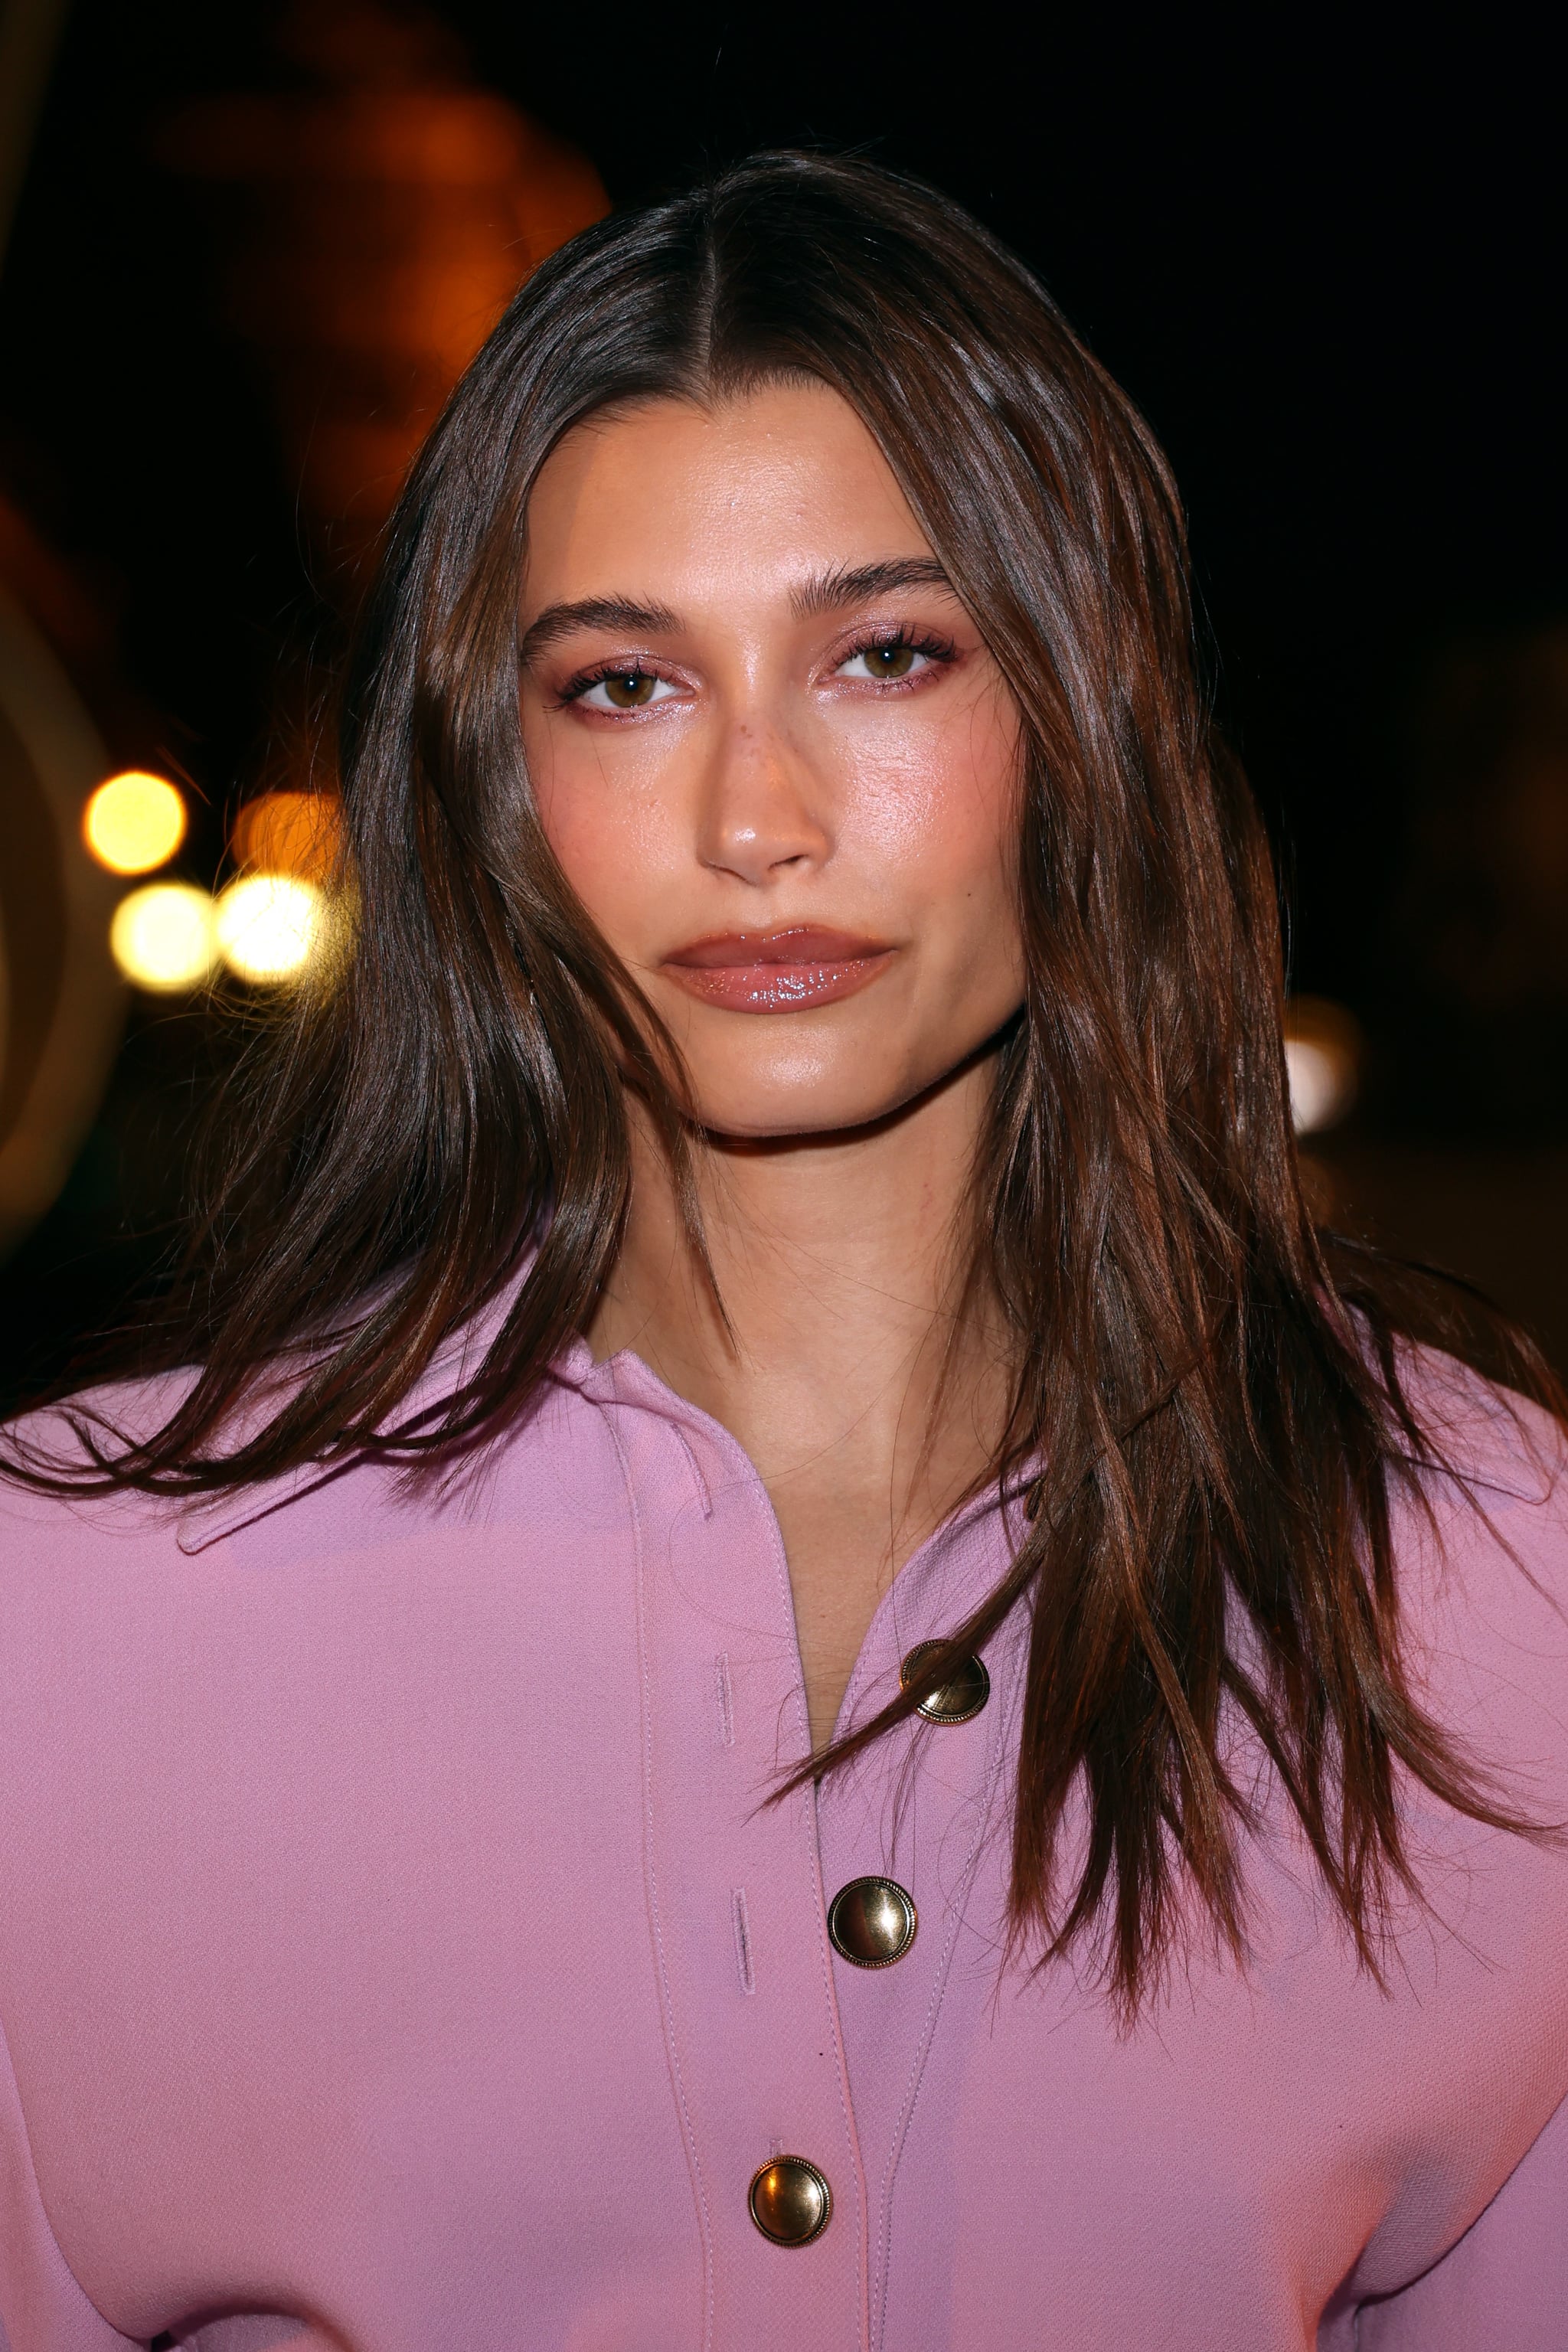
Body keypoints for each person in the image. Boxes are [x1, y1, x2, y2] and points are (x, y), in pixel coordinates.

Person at [2, 151, 1565, 2352]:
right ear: (489, 793)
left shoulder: (1486, 1580)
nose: (757, 819)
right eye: (625, 686)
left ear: (1083, 723)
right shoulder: (65, 1620)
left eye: (887, 653)